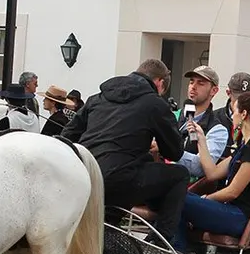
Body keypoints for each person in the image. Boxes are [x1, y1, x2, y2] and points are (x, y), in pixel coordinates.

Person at [62, 59, 187, 244]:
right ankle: (160, 243)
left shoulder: (97, 98)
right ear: (159, 83)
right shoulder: (155, 104)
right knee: (179, 175)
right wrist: (158, 143)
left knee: (136, 165)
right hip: (118, 181)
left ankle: (109, 226)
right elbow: (175, 152)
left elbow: (67, 136)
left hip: (85, 175)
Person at [177, 91, 250, 253]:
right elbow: (212, 173)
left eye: (235, 110)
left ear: (244, 114)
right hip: (233, 213)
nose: (232, 116)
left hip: (243, 218)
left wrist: (206, 199)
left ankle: (177, 252)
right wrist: (201, 139)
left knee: (177, 197)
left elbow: (232, 192)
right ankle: (181, 250)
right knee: (175, 193)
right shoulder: (246, 146)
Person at [178, 66, 232, 179]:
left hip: (188, 190)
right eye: (191, 82)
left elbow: (200, 168)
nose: (193, 87)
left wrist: (168, 148)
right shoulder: (174, 116)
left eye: (200, 83)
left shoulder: (218, 130)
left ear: (214, 90)